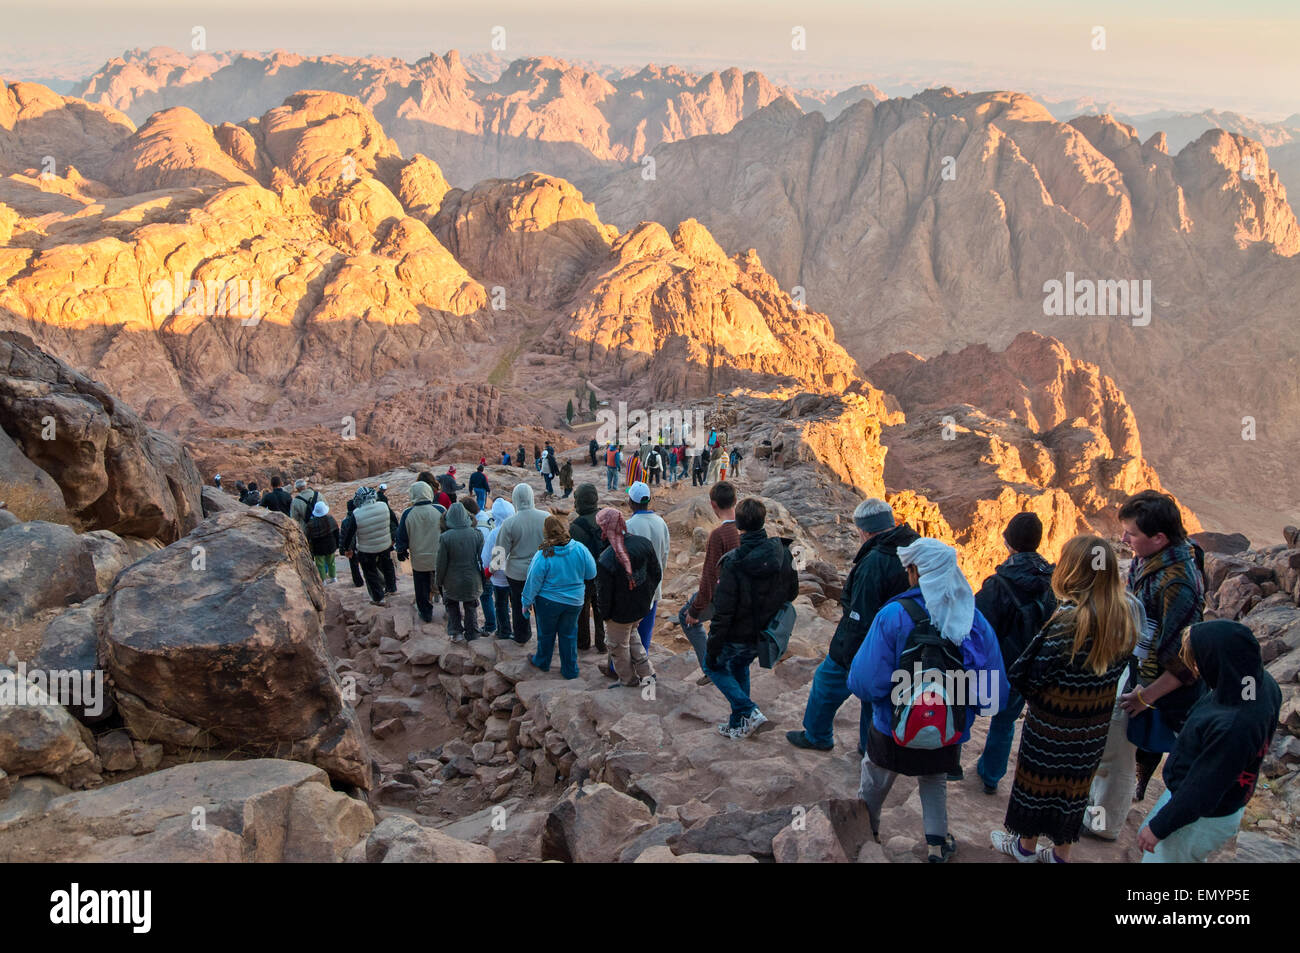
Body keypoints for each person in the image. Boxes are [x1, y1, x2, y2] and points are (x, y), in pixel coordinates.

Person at [849, 538, 1005, 863]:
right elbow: (991, 695)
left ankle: (867, 833)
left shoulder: (893, 614)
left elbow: (864, 681)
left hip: (891, 727)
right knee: (934, 781)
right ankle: (936, 844)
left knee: (875, 779)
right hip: (946, 731)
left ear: (915, 572)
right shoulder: (973, 620)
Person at [990, 535, 1137, 864]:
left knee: (1037, 784)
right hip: (1092, 728)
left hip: (1051, 725)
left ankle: (1025, 848)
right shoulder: (1124, 619)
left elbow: (1029, 673)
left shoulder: (1068, 620)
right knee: (1073, 790)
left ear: (1073, 572)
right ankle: (1060, 855)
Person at [1087, 491, 1206, 841]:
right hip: (1135, 669)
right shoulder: (1149, 560)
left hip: (1149, 684)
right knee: (1110, 752)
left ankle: (1103, 826)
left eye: (1132, 534)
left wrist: (1146, 697)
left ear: (1159, 538)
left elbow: (1185, 659)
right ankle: (1098, 811)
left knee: (1119, 758)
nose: (1124, 540)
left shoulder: (1178, 582)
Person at [1137, 621, 1281, 862]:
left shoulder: (1234, 725)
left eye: (1199, 660)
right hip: (1212, 800)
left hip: (1202, 816)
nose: (1196, 666)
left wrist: (1160, 827)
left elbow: (1205, 788)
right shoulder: (1258, 684)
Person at [787, 498, 919, 753]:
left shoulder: (874, 563)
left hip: (867, 642)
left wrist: (846, 655)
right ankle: (870, 747)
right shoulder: (915, 547)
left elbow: (860, 615)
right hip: (905, 642)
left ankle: (817, 736)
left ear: (865, 530)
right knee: (877, 697)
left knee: (827, 683)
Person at [972, 512, 1058, 794]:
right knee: (1004, 722)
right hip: (1027, 665)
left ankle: (949, 764)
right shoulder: (1051, 583)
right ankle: (991, 776)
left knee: (965, 708)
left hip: (992, 664)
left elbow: (977, 626)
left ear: (1007, 541)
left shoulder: (997, 584)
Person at [705, 497, 798, 738]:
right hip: (764, 632)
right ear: (763, 520)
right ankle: (739, 724)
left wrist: (713, 646)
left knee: (712, 665)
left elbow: (723, 612)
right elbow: (793, 592)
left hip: (737, 634)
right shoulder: (783, 552)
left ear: (739, 525)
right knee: (739, 665)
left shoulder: (733, 563)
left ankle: (749, 710)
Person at [522, 516, 597, 679]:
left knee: (546, 633)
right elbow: (592, 572)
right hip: (575, 601)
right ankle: (570, 670)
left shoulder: (545, 553)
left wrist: (526, 602)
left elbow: (533, 580)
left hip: (548, 602)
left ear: (546, 533)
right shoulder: (579, 548)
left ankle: (542, 661)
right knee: (569, 634)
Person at [679, 481, 739, 684]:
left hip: (721, 596)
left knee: (685, 617)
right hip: (741, 595)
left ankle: (711, 669)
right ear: (735, 501)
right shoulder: (743, 529)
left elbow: (709, 577)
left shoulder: (719, 535)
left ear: (713, 505)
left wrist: (695, 610)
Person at [595, 507, 661, 686]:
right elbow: (656, 573)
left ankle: (627, 680)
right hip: (641, 607)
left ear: (605, 527)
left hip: (619, 614)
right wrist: (646, 596)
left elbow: (604, 594)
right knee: (633, 637)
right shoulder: (643, 543)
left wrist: (606, 615)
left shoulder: (606, 558)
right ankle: (647, 672)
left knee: (618, 647)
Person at [497, 483, 549, 643]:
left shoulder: (509, 522)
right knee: (543, 606)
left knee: (519, 606)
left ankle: (521, 636)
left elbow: (499, 553)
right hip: (542, 571)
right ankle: (545, 639)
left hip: (517, 574)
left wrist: (491, 571)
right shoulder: (546, 517)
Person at [625, 482, 669, 653]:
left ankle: (619, 667)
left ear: (631, 502)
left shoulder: (629, 525)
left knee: (628, 630)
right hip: (654, 584)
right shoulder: (661, 523)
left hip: (634, 586)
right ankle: (643, 661)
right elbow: (665, 554)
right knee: (646, 629)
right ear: (649, 500)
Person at [395, 480, 443, 624]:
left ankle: (426, 613)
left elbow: (401, 535)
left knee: (421, 588)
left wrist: (401, 550)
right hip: (439, 557)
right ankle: (450, 610)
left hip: (419, 559)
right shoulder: (440, 510)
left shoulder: (408, 513)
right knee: (443, 584)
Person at [436, 502, 485, 642]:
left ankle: (456, 632)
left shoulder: (445, 537)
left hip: (452, 580)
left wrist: (438, 581)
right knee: (470, 605)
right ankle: (473, 633)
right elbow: (482, 560)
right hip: (472, 578)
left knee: (451, 604)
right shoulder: (477, 534)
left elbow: (441, 563)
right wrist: (484, 578)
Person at [568, 484, 606, 652]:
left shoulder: (576, 526)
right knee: (601, 609)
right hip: (605, 572)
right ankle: (602, 642)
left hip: (583, 576)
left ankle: (583, 643)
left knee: (583, 610)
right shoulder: (605, 517)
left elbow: (574, 556)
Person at [351, 486, 394, 606]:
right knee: (387, 565)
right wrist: (393, 538)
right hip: (385, 544)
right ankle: (392, 588)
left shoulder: (356, 513)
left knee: (370, 573)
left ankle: (378, 598)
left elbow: (350, 532)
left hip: (366, 548)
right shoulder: (383, 506)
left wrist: (346, 548)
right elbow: (393, 521)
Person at [482, 497, 516, 639]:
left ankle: (504, 631)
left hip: (500, 576)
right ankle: (521, 631)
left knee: (501, 604)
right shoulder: (517, 527)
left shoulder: (495, 533)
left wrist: (487, 570)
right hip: (516, 573)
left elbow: (488, 557)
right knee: (517, 604)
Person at [465, 496, 496, 635]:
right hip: (496, 562)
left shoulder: (478, 526)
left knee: (486, 596)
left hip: (486, 567)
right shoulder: (486, 515)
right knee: (495, 594)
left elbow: (482, 550)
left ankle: (490, 625)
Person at [306, 500, 339, 584]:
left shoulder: (311, 523)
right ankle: (333, 577)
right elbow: (336, 532)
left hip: (318, 547)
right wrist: (338, 544)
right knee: (331, 562)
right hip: (330, 545)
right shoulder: (330, 519)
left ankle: (323, 580)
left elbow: (308, 536)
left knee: (320, 564)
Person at [339, 499, 364, 587]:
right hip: (363, 544)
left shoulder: (345, 521)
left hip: (351, 547)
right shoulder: (360, 517)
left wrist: (345, 549)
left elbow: (343, 536)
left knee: (354, 566)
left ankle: (358, 582)